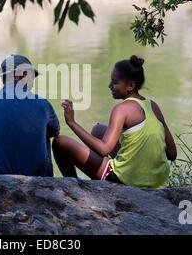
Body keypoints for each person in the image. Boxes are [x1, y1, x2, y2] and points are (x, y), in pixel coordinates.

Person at [52, 55, 177, 189]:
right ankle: (100, 178)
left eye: (115, 82)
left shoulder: (121, 109)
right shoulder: (153, 106)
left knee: (60, 142)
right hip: (158, 183)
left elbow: (104, 148)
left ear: (130, 85)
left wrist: (72, 123)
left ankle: (75, 188)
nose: (109, 86)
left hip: (127, 182)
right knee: (98, 130)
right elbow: (172, 154)